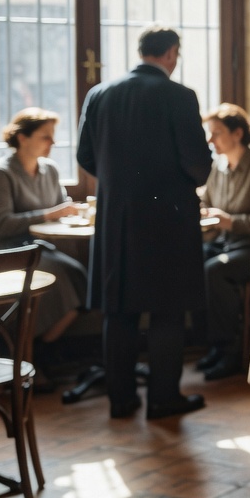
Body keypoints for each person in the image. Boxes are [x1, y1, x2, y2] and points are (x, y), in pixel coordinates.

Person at [77, 25, 213, 420]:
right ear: (170, 53)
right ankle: (163, 398)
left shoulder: (99, 94)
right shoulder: (180, 96)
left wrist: (120, 182)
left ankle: (121, 400)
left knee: (118, 311)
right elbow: (198, 166)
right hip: (168, 220)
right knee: (167, 311)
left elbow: (85, 156)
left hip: (116, 219)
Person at [0, 108, 87, 382]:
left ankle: (41, 348)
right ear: (22, 138)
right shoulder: (2, 173)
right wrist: (48, 214)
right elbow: (1, 224)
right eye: (45, 136)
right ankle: (26, 353)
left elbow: (61, 207)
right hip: (13, 252)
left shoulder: (50, 170)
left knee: (80, 275)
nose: (53, 142)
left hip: (44, 248)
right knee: (58, 275)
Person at [197, 103, 250, 381]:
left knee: (215, 271)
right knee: (193, 260)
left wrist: (231, 222)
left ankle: (229, 351)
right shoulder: (218, 168)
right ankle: (212, 346)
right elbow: (206, 201)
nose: (210, 140)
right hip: (225, 243)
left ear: (238, 133)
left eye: (216, 133)